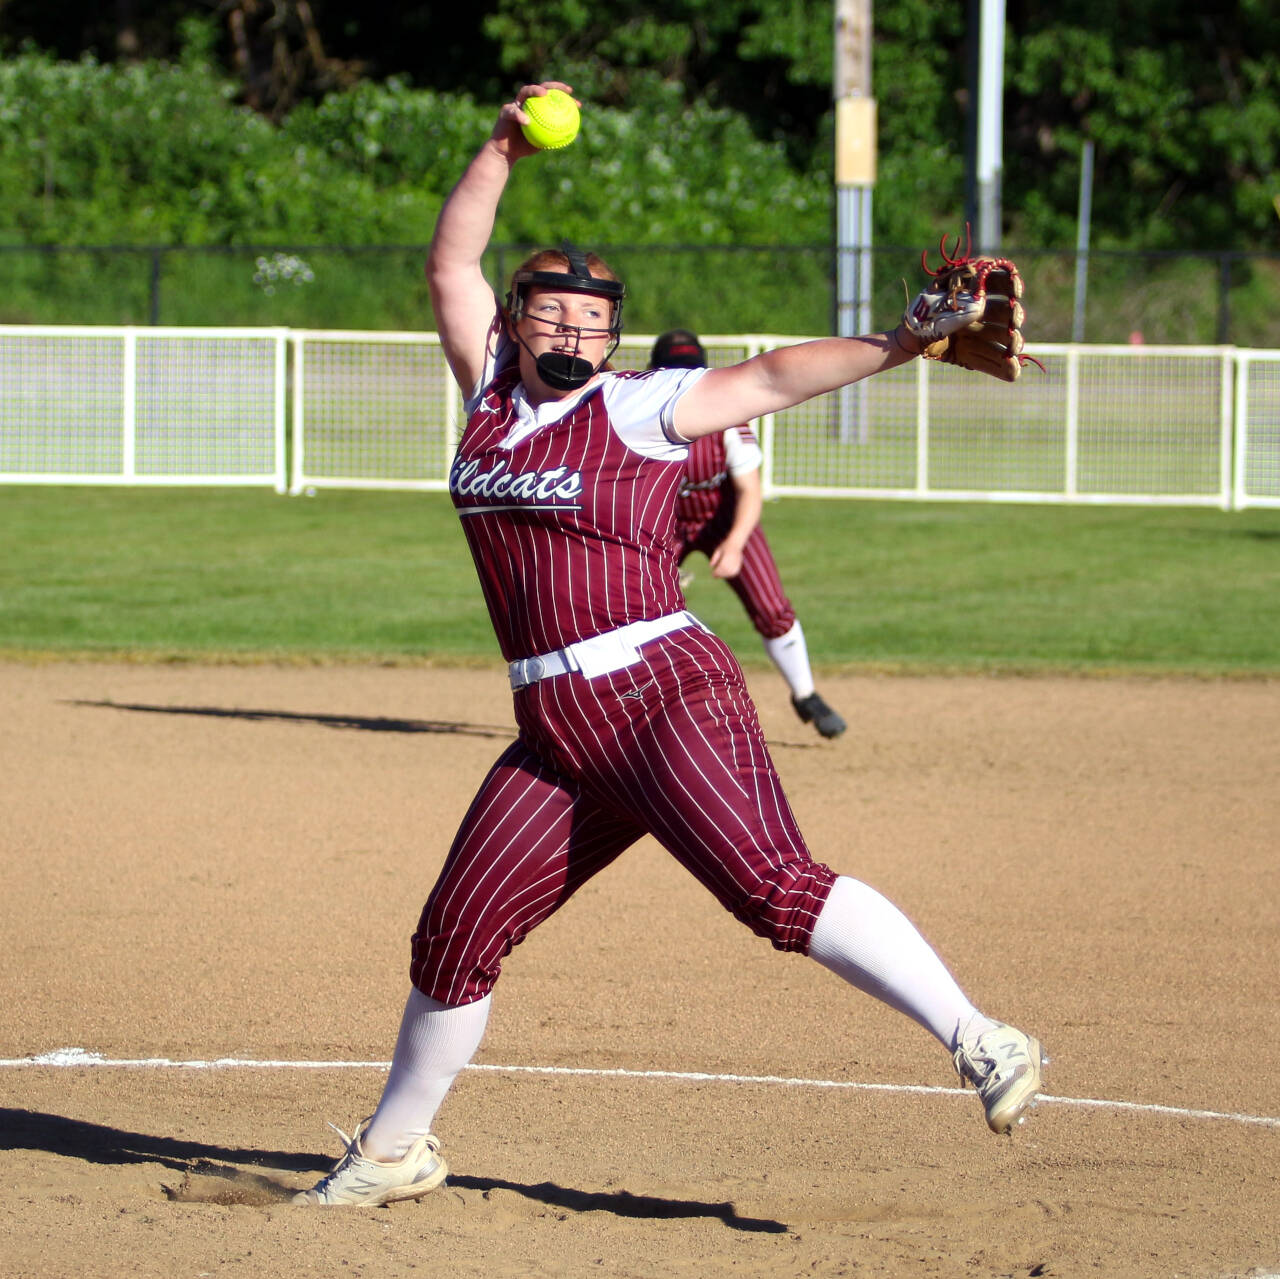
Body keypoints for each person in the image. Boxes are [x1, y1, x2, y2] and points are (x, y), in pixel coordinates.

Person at [293, 81, 1045, 1207]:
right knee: (456, 931)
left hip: (657, 691)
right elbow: (451, 263)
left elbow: (774, 375)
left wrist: (898, 342)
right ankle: (393, 1151)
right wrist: (501, 145)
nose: (573, 330)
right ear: (514, 318)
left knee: (772, 891)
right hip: (553, 733)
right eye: (550, 312)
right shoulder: (488, 398)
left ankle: (980, 1037)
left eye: (592, 320)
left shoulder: (644, 405)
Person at [648, 328, 846, 739]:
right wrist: (653, 563)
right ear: (653, 373)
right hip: (661, 523)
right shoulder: (639, 420)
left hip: (725, 516)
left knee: (772, 607)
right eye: (671, 372)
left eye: (689, 372)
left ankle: (805, 694)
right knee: (638, 612)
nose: (680, 382)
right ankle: (647, 710)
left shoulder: (725, 420)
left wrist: (735, 543)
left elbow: (750, 490)